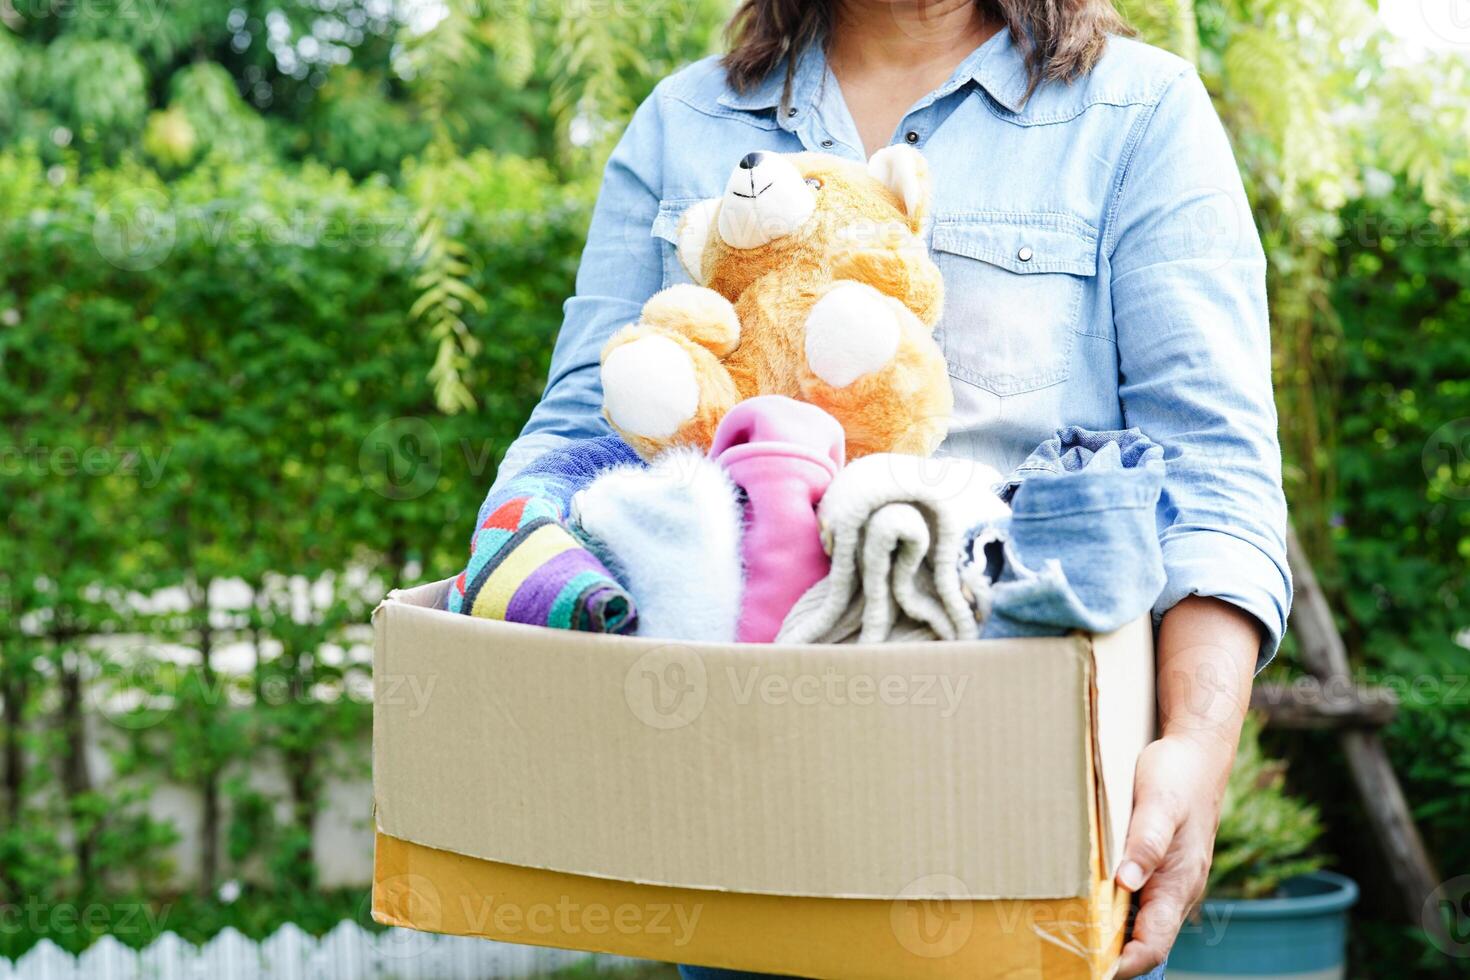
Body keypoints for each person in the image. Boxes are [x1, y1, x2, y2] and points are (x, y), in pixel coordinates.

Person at [492, 1, 1292, 976]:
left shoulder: (1136, 112)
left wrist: (1199, 747)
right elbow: (579, 429)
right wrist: (508, 574)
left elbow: (1211, 467)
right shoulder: (686, 122)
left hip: (1024, 838)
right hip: (740, 842)